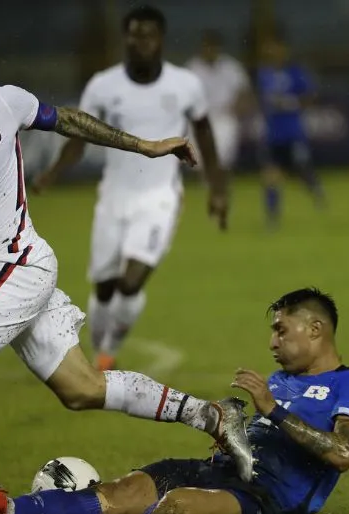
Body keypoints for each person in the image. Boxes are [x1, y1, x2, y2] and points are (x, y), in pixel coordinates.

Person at [0, 36, 252, 514]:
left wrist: (145, 146)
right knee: (82, 390)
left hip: (20, 260)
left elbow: (69, 120)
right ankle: (212, 414)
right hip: (3, 269)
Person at [0, 288, 349, 514]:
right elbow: (257, 437)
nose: (271, 341)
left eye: (282, 330)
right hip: (215, 471)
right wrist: (230, 432)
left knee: (179, 510)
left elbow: (342, 453)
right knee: (118, 494)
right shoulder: (277, 379)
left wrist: (272, 411)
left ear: (315, 329)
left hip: (267, 499)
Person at [32, 6, 229, 372]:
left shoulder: (185, 84)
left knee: (130, 282)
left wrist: (217, 187)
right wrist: (54, 172)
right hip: (113, 199)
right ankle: (98, 348)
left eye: (148, 35)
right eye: (135, 35)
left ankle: (107, 354)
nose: (141, 42)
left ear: (161, 40)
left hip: (160, 199)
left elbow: (203, 131)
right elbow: (79, 132)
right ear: (125, 39)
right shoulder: (103, 86)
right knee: (104, 287)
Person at [255, 36, 325, 229]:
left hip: (293, 133)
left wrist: (290, 103)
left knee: (300, 171)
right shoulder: (264, 74)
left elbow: (311, 96)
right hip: (273, 135)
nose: (273, 54)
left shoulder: (296, 73)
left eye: (277, 49)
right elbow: (264, 100)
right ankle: (272, 218)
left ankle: (315, 189)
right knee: (270, 176)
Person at [186, 29, 251, 171]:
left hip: (224, 117)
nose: (210, 50)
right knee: (198, 160)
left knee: (222, 159)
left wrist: (237, 108)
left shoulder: (231, 67)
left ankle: (221, 184)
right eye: (207, 46)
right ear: (202, 47)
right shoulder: (192, 68)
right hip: (200, 119)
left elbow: (244, 93)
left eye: (213, 47)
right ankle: (205, 185)